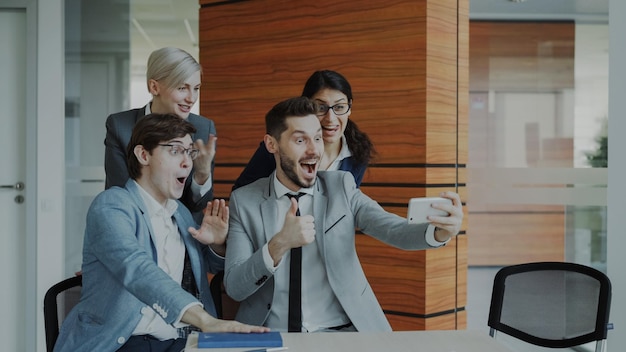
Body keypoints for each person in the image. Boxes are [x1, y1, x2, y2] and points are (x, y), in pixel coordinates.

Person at [224, 97, 463, 333]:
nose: (313, 150)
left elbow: (393, 229)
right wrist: (279, 244)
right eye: (300, 140)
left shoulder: (342, 187)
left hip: (341, 332)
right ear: (271, 144)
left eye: (317, 138)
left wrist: (437, 232)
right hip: (274, 335)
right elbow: (235, 287)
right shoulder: (244, 202)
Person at [55, 114, 268, 352]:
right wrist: (206, 320)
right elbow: (137, 268)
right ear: (143, 155)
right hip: (119, 342)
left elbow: (208, 271)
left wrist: (217, 245)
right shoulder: (111, 205)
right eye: (176, 151)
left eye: (190, 152)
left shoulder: (182, 214)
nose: (187, 162)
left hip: (173, 341)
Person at [105, 47, 215, 222]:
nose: (192, 98)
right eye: (182, 88)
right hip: (136, 228)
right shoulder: (120, 126)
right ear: (154, 87)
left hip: (183, 234)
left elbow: (198, 205)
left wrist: (202, 176)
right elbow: (119, 196)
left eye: (196, 88)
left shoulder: (203, 129)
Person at [232, 70, 375, 189]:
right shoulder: (279, 146)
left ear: (349, 107)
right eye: (320, 107)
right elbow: (242, 192)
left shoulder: (358, 152)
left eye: (339, 107)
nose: (330, 118)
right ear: (306, 108)